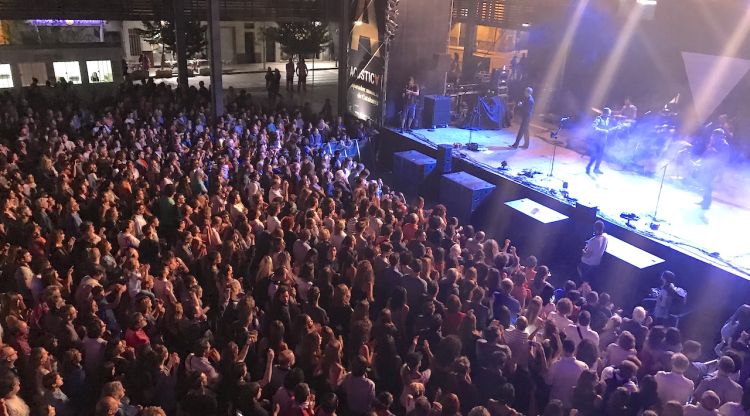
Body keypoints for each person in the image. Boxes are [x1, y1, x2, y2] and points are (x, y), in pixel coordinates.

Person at [697, 128, 730, 213]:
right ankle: (704, 200)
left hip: (715, 168)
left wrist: (714, 152)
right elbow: (707, 152)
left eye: (715, 135)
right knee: (705, 183)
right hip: (708, 166)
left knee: (708, 184)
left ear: (720, 136)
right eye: (713, 135)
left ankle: (706, 203)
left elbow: (723, 158)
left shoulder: (724, 145)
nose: (713, 137)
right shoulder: (714, 142)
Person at [587, 107, 618, 175]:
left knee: (600, 156)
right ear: (604, 113)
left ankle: (596, 169)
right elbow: (594, 127)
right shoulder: (599, 118)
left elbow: (609, 128)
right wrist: (604, 131)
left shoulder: (608, 119)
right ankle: (588, 167)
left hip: (603, 141)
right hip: (596, 141)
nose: (609, 116)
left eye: (609, 114)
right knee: (594, 156)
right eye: (608, 114)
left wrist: (616, 127)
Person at [579, 220, 608, 287]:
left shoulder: (593, 241)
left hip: (587, 264)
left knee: (583, 279)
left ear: (595, 228)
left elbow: (587, 255)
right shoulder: (605, 237)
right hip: (596, 264)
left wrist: (583, 251)